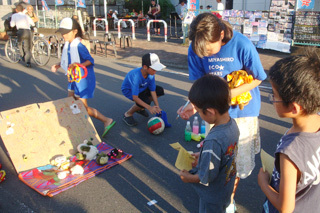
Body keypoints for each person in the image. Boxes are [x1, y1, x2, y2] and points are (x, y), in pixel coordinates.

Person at [177, 13, 267, 213]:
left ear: (222, 34)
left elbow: (259, 77)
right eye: (202, 53)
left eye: (209, 51)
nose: (206, 56)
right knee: (216, 156)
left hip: (242, 113)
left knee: (235, 161)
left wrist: (229, 94)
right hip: (215, 113)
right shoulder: (196, 47)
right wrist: (192, 103)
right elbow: (201, 83)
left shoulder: (242, 45)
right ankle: (217, 193)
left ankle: (228, 199)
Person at [258, 49, 320, 213]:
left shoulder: (290, 152)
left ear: (294, 108)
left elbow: (285, 207)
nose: (271, 98)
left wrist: (263, 183)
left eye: (274, 94)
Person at [179, 74, 239, 213]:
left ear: (210, 112)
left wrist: (188, 178)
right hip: (225, 189)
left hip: (212, 195)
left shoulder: (213, 141)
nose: (198, 114)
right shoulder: (232, 124)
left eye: (199, 111)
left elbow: (206, 176)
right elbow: (225, 153)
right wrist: (203, 155)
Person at [51, 18, 115, 138]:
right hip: (73, 78)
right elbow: (68, 59)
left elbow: (90, 61)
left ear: (75, 31)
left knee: (82, 107)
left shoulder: (79, 46)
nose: (63, 35)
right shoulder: (68, 45)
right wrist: (59, 64)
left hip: (83, 79)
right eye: (62, 32)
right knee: (71, 102)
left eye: (66, 32)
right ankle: (77, 125)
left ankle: (106, 120)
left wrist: (78, 65)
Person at [121, 53, 166, 126]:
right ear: (145, 67)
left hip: (142, 88)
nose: (155, 72)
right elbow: (135, 97)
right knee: (146, 101)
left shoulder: (151, 74)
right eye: (154, 69)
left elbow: (153, 90)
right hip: (130, 91)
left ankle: (140, 108)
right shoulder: (136, 76)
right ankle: (128, 114)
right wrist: (149, 107)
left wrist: (157, 107)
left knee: (160, 90)